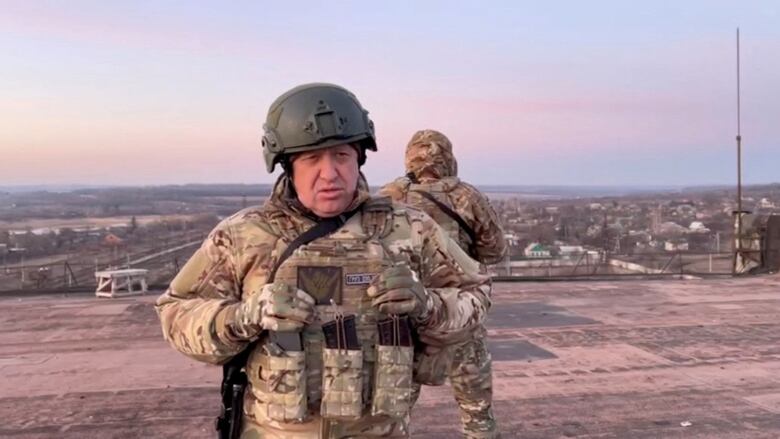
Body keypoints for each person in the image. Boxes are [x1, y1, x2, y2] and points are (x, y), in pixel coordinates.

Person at [155, 84, 492, 438]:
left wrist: (428, 305)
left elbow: (477, 295)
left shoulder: (409, 229)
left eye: (342, 156)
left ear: (359, 158)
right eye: (312, 159)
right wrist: (244, 316)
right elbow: (175, 315)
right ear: (287, 166)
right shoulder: (244, 236)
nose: (330, 173)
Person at [379, 129, 507, 439]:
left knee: (388, 418)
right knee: (477, 415)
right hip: (459, 315)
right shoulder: (467, 197)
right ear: (448, 159)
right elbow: (494, 251)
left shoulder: (385, 198)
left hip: (404, 319)